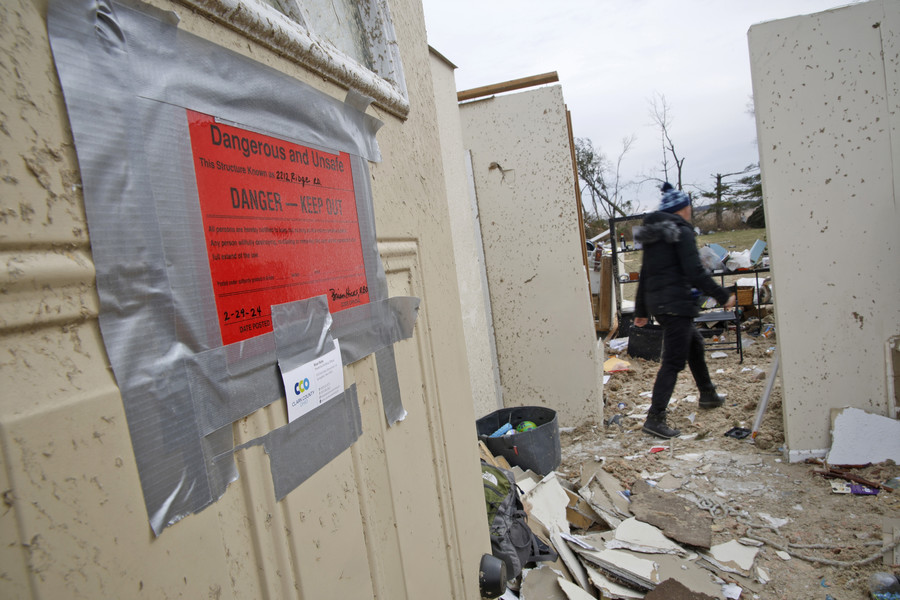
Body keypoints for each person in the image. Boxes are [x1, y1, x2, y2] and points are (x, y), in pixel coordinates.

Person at [633, 182, 736, 439]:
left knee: (695, 346)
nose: (690, 210)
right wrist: (722, 295)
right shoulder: (682, 232)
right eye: (688, 206)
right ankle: (654, 418)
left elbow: (645, 274)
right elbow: (694, 271)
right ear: (682, 209)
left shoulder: (656, 234)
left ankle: (708, 394)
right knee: (673, 362)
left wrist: (642, 309)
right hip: (677, 304)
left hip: (663, 304)